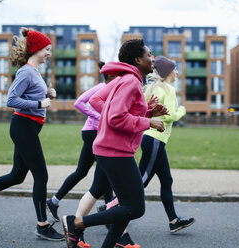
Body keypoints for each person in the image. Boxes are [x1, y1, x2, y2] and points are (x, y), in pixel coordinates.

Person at [61, 39, 167, 248]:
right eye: (148, 55)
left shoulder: (124, 79)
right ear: (138, 60)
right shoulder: (130, 82)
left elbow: (115, 112)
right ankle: (77, 223)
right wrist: (149, 121)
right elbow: (116, 118)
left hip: (112, 149)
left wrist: (147, 112)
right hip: (115, 152)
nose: (152, 59)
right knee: (136, 208)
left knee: (126, 207)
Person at [0, 27, 64, 241]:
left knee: (17, 175)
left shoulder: (35, 73)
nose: (48, 53)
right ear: (36, 49)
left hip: (29, 127)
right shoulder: (26, 71)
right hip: (23, 126)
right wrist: (39, 102)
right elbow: (11, 100)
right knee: (41, 175)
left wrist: (47, 94)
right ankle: (42, 225)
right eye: (46, 49)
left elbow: (32, 96)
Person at [98, 56, 195, 240]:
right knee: (141, 181)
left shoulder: (149, 88)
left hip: (151, 139)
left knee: (166, 180)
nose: (177, 73)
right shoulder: (168, 89)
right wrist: (182, 110)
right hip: (155, 139)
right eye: (174, 69)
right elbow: (169, 115)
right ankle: (109, 208)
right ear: (167, 72)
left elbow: (143, 111)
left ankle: (174, 221)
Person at [45, 61, 116, 247]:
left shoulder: (111, 88)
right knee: (104, 174)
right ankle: (108, 217)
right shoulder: (102, 87)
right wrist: (99, 117)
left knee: (84, 171)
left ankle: (54, 200)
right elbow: (79, 102)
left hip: (94, 133)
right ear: (109, 75)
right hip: (93, 133)